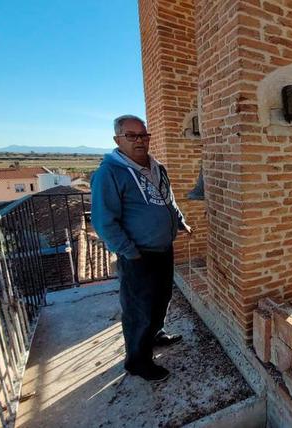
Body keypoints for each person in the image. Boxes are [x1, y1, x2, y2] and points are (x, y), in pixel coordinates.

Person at [91, 115, 192, 381]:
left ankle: (155, 335)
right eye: (131, 135)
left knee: (161, 299)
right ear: (118, 139)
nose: (139, 141)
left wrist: (180, 221)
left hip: (162, 249)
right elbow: (103, 221)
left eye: (143, 135)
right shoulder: (109, 173)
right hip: (137, 254)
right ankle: (137, 361)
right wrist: (129, 251)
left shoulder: (157, 167)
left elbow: (168, 199)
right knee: (138, 310)